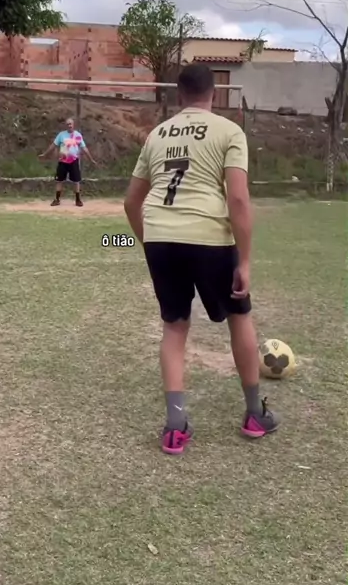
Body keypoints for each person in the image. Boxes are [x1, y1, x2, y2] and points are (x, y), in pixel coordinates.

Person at [123, 63, 279, 454]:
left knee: (174, 328)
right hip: (209, 236)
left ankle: (175, 426)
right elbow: (238, 198)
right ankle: (254, 414)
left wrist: (149, 241)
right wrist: (245, 261)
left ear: (179, 95)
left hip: (161, 236)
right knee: (239, 317)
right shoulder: (229, 131)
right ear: (215, 93)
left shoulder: (157, 134)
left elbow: (130, 202)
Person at [39, 117, 96, 207]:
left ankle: (78, 200)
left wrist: (91, 159)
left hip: (74, 161)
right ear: (66, 126)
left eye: (70, 124)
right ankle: (57, 199)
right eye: (67, 124)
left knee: (76, 181)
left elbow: (84, 148)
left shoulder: (78, 135)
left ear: (73, 125)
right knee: (59, 180)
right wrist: (45, 154)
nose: (69, 125)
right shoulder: (61, 135)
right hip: (63, 161)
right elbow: (53, 145)